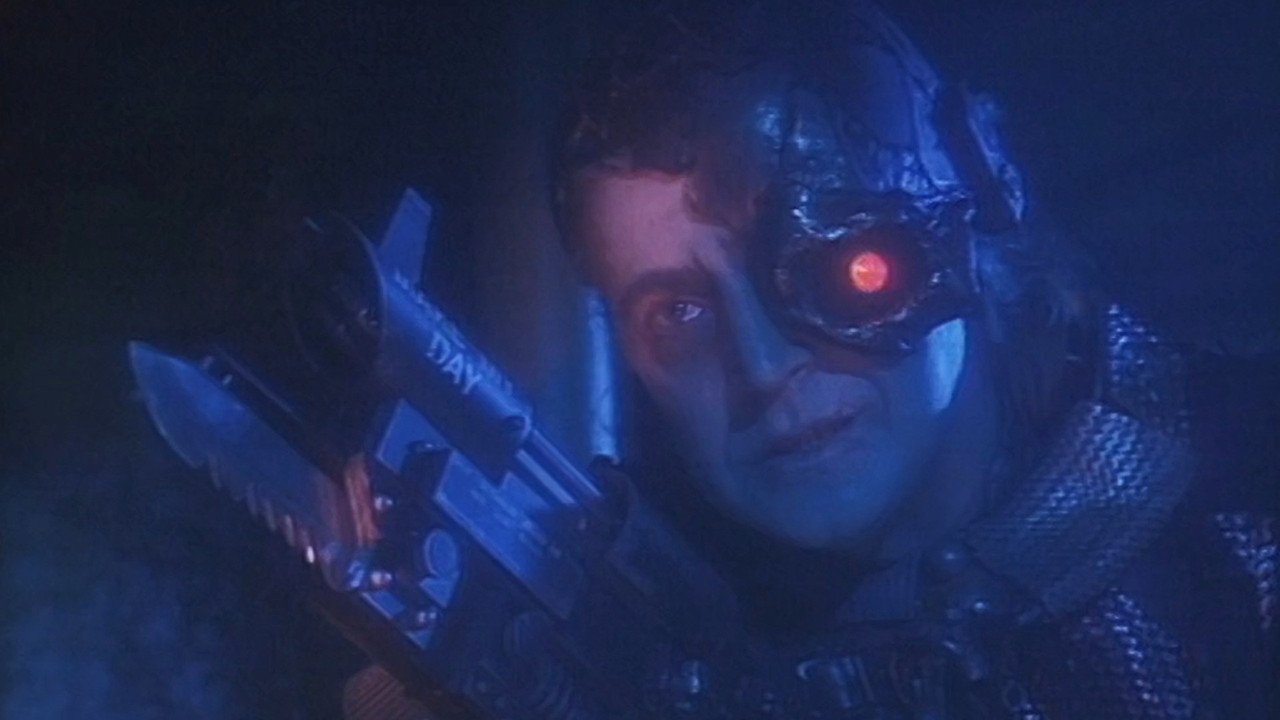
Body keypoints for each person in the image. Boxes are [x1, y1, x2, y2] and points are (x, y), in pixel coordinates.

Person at [550, 1, 1277, 717]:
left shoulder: (1245, 530)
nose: (763, 368)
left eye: (824, 259)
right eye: (679, 313)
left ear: (971, 197)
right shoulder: (667, 659)